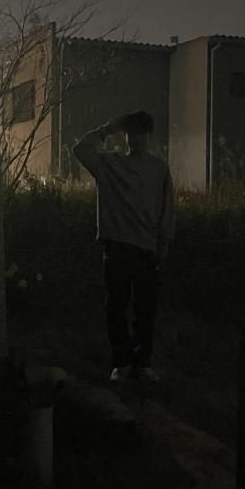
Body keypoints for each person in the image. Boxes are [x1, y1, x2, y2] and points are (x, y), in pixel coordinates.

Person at [73, 111, 174, 382]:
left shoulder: (159, 169)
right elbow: (80, 149)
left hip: (146, 247)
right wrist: (110, 127)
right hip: (117, 244)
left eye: (141, 133)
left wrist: (164, 243)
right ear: (126, 136)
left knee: (145, 309)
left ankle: (142, 362)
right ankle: (122, 362)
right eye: (131, 133)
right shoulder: (111, 164)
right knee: (116, 307)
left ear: (149, 136)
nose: (136, 138)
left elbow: (167, 208)